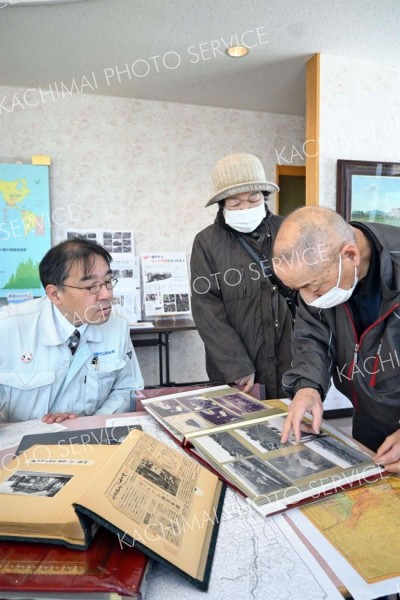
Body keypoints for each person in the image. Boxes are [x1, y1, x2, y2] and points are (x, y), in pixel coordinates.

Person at [272, 206, 400, 472]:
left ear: (350, 255)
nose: (309, 298)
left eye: (315, 287)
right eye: (299, 290)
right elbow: (311, 338)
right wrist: (308, 387)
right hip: (368, 418)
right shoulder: (319, 271)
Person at [0, 237, 143, 423]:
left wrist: (88, 424)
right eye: (91, 286)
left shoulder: (117, 327)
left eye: (108, 281)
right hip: (21, 444)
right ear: (55, 294)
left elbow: (127, 388)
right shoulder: (8, 327)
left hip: (91, 440)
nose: (107, 294)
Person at [190, 153, 295, 397]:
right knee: (241, 428)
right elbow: (207, 308)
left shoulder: (288, 229)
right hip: (237, 370)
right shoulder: (207, 242)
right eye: (235, 203)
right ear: (223, 205)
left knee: (291, 429)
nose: (245, 207)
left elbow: (309, 292)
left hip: (290, 360)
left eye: (253, 198)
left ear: (264, 197)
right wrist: (236, 366)